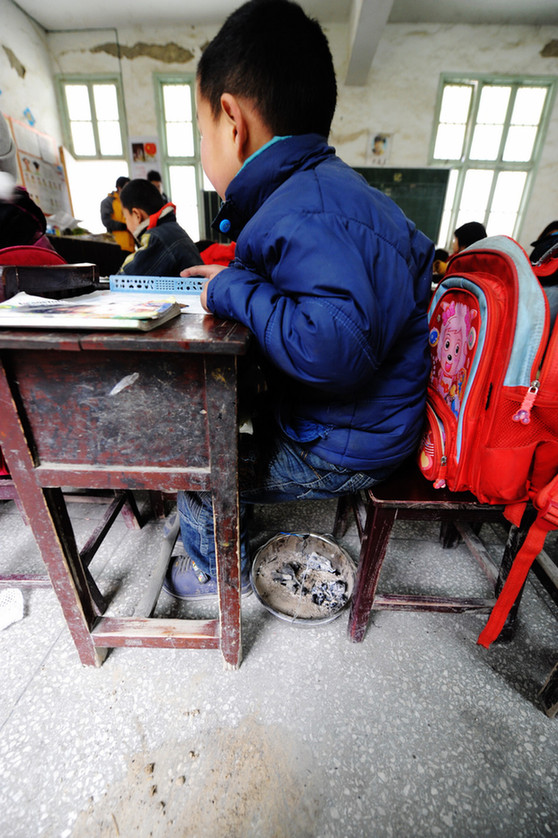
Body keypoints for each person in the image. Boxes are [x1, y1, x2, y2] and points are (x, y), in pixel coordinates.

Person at [164, 0, 434, 601]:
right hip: (368, 424)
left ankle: (213, 570)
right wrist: (236, 270)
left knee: (195, 463)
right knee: (230, 418)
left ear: (232, 121)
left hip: (349, 445)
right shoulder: (322, 193)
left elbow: (330, 346)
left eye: (200, 130)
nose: (205, 145)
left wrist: (230, 286)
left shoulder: (306, 206)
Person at [118, 178, 202, 276]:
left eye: (126, 218)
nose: (127, 224)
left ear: (137, 215)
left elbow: (126, 277)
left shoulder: (156, 238)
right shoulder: (170, 229)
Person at [100, 176, 134, 252]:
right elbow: (106, 221)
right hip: (116, 245)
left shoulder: (129, 201)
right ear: (119, 188)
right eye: (126, 187)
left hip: (131, 245)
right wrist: (125, 226)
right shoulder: (107, 202)